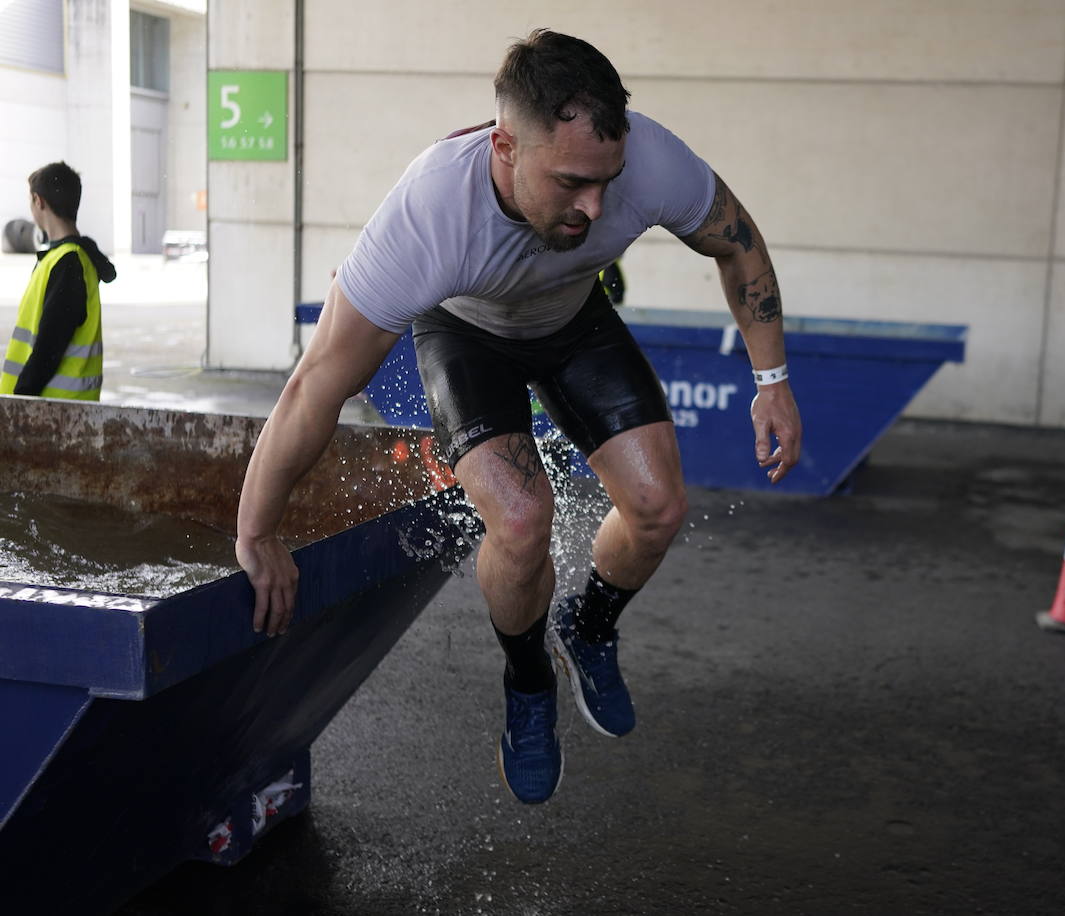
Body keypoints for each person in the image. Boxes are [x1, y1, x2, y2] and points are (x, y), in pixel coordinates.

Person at [235, 29, 802, 804]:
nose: (595, 208)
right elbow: (314, 389)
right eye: (571, 182)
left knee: (660, 507)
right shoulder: (430, 213)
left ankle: (587, 627)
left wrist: (772, 380)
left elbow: (739, 244)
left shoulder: (652, 161)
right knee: (523, 519)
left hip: (573, 321)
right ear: (505, 146)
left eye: (607, 181)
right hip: (468, 335)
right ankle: (529, 680)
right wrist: (257, 531)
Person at [1, 162, 115, 400]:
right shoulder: (66, 258)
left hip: (51, 410)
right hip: (55, 408)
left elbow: (48, 350)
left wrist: (19, 402)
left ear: (38, 201)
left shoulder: (68, 263)